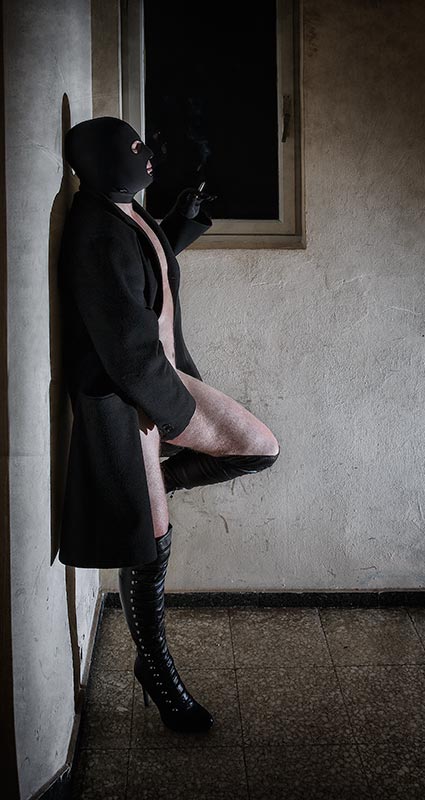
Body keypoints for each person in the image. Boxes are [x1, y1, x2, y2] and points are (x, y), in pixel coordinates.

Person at [58, 116, 280, 734]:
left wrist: (180, 222)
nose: (147, 153)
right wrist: (174, 416)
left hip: (155, 385)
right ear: (104, 160)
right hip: (130, 397)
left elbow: (142, 273)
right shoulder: (95, 229)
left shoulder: (121, 213)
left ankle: (152, 485)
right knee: (151, 537)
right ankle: (154, 667)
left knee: (258, 448)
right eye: (134, 147)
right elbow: (125, 342)